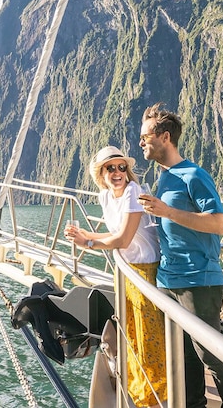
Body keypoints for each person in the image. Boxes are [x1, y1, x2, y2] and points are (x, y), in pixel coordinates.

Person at [136, 103, 223, 408]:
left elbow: (219, 223)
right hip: (168, 280)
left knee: (211, 354)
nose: (141, 142)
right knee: (182, 355)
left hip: (198, 281)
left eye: (145, 137)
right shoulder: (164, 177)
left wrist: (168, 211)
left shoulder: (193, 175)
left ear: (165, 137)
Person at [66, 145, 167, 408]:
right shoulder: (105, 197)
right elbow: (112, 234)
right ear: (101, 174)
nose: (118, 172)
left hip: (144, 268)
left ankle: (157, 394)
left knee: (148, 334)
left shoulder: (134, 191)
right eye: (111, 168)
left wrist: (87, 244)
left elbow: (122, 238)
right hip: (124, 269)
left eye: (122, 167)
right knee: (130, 331)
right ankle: (139, 384)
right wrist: (85, 236)